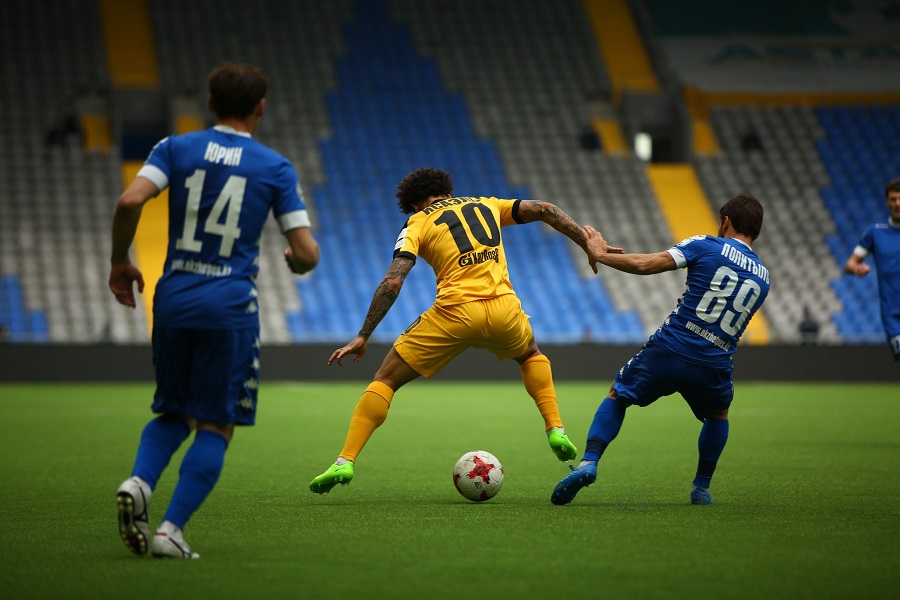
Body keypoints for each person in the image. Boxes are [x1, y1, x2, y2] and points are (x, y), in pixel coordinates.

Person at [109, 63, 319, 559]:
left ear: (209, 104)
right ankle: (170, 532)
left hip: (173, 297)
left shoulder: (174, 148)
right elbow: (307, 252)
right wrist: (297, 261)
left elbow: (129, 201)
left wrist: (119, 260)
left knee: (174, 409)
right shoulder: (274, 167)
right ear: (260, 107)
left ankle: (140, 482)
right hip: (228, 306)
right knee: (216, 423)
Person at [308, 167, 621, 494]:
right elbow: (544, 209)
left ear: (413, 204)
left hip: (454, 312)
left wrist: (363, 335)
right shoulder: (488, 204)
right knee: (530, 355)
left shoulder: (417, 222)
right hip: (504, 309)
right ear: (447, 191)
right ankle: (555, 428)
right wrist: (587, 243)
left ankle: (345, 460)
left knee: (385, 379)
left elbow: (394, 279)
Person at [551, 193, 769, 506]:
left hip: (671, 348)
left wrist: (599, 254)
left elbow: (647, 264)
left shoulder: (706, 245)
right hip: (715, 361)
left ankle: (589, 463)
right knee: (718, 413)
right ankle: (701, 488)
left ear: (726, 222)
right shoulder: (763, 276)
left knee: (618, 394)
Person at [843, 178, 900, 361]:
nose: (897, 203)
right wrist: (856, 268)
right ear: (887, 201)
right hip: (892, 314)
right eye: (893, 199)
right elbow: (849, 264)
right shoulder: (875, 232)